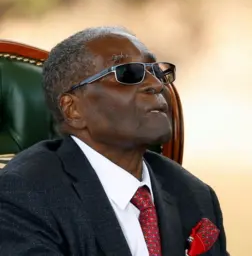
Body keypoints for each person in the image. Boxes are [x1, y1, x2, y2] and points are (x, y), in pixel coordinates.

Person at [0, 26, 228, 256]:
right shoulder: (24, 194)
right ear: (73, 109)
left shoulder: (194, 194)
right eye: (128, 73)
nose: (157, 85)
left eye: (156, 71)